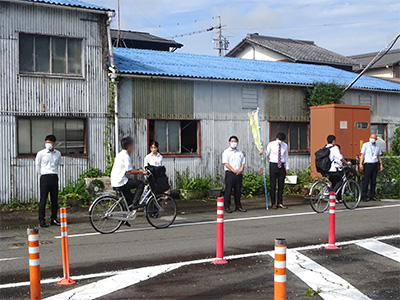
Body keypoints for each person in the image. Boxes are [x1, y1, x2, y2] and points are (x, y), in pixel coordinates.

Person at [111, 137, 148, 210]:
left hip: (116, 180)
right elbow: (130, 171)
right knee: (140, 184)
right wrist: (142, 171)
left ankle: (124, 220)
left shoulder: (120, 154)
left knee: (129, 200)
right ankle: (136, 203)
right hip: (120, 181)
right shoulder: (125, 156)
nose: (133, 147)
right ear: (129, 146)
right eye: (132, 145)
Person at [35, 134, 61, 228]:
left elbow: (58, 164)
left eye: (50, 143)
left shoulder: (58, 153)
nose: (48, 144)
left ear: (54, 143)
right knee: (43, 199)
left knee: (54, 200)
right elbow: (37, 165)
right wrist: (42, 174)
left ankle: (54, 218)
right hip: (45, 177)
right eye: (46, 142)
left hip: (54, 176)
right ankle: (41, 220)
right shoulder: (41, 153)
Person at [260, 132, 289, 209]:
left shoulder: (285, 145)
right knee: (273, 185)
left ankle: (280, 202)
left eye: (282, 140)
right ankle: (273, 203)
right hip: (273, 164)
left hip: (281, 165)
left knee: (281, 185)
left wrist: (287, 167)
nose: (280, 141)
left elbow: (286, 157)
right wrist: (262, 152)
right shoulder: (271, 144)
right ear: (276, 138)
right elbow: (267, 154)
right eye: (279, 140)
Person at [222, 136, 246, 213]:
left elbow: (243, 162)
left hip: (239, 173)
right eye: (232, 141)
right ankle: (227, 206)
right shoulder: (226, 152)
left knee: (238, 191)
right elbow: (226, 163)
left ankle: (238, 206)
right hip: (230, 173)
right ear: (229, 142)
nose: (233, 143)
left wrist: (241, 169)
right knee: (228, 190)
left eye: (235, 141)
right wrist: (233, 170)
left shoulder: (240, 152)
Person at [325, 135, 351, 202]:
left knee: (334, 182)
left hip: (324, 169)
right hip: (332, 169)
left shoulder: (325, 148)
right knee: (340, 181)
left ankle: (334, 197)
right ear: (333, 141)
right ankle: (332, 194)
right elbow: (340, 158)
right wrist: (347, 163)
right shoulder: (334, 148)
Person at [359, 133, 383, 201]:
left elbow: (379, 156)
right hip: (367, 164)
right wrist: (361, 164)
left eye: (373, 138)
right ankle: (364, 195)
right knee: (366, 180)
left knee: (373, 181)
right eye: (371, 137)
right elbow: (362, 154)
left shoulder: (378, 146)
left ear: (376, 139)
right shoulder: (365, 145)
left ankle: (372, 195)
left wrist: (381, 164)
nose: (372, 139)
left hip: (374, 164)